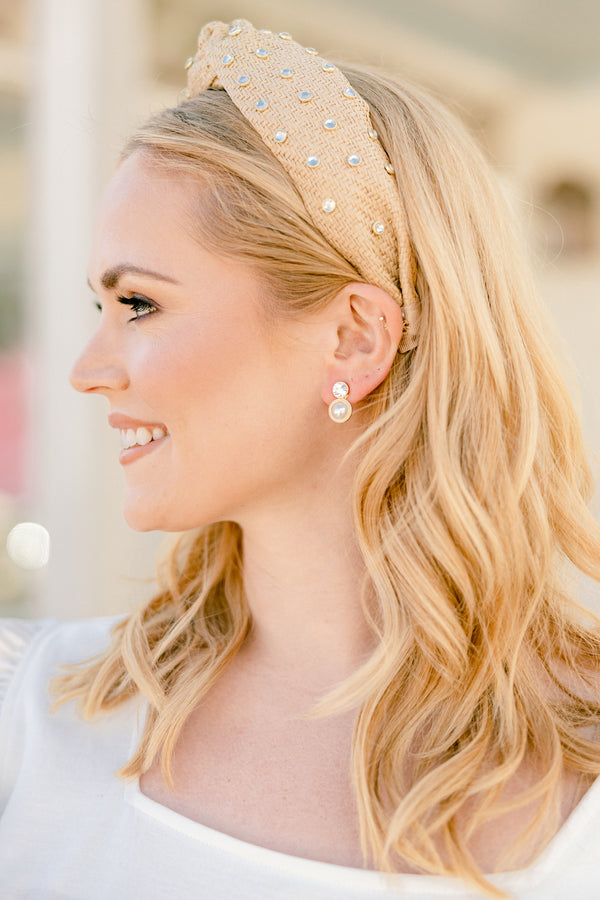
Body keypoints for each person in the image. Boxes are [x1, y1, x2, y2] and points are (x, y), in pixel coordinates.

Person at [1, 18, 600, 899]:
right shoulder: (31, 716)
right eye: (102, 304)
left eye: (140, 304)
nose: (88, 371)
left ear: (354, 338)